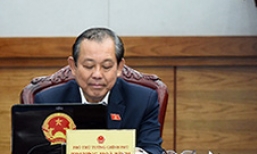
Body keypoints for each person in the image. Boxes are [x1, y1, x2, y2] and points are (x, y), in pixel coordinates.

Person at [35, 27, 163, 154]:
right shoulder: (48, 101)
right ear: (73, 66)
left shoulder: (143, 101)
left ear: (119, 67)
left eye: (106, 66)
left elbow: (152, 149)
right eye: (88, 66)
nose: (97, 74)